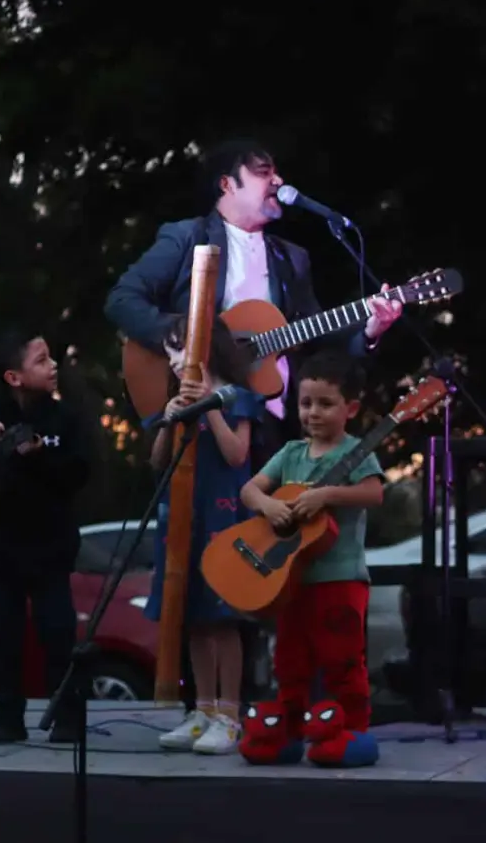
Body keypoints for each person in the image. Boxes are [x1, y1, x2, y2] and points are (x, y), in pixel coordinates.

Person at [103, 138, 401, 468]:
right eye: (264, 172)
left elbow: (317, 334)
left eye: (277, 173)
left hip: (270, 418)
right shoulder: (187, 237)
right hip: (200, 408)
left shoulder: (291, 258)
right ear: (227, 184)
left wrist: (370, 331)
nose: (278, 181)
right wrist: (186, 339)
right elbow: (121, 299)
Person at [236, 349, 386, 767]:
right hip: (291, 579)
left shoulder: (355, 453)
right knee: (290, 660)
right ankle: (289, 730)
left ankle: (352, 730)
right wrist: (269, 507)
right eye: (305, 403)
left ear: (350, 408)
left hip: (341, 579)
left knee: (342, 660)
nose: (313, 413)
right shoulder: (291, 453)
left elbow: (374, 493)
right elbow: (250, 489)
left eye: (325, 403)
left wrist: (326, 494)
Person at [0, 329, 91, 744]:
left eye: (51, 359)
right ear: (14, 377)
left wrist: (40, 455)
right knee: (1, 635)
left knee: (58, 634)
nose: (53, 367)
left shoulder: (64, 417)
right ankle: (8, 717)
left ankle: (67, 716)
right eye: (42, 360)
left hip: (49, 549)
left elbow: (78, 471)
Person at [146, 313, 265, 755]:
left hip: (225, 517)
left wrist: (211, 406)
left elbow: (237, 455)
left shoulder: (238, 397)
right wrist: (172, 419)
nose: (176, 360)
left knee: (223, 618)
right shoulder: (172, 400)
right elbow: (158, 462)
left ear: (207, 346)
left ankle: (229, 715)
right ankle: (202, 709)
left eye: (181, 348)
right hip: (182, 518)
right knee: (193, 616)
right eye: (170, 352)